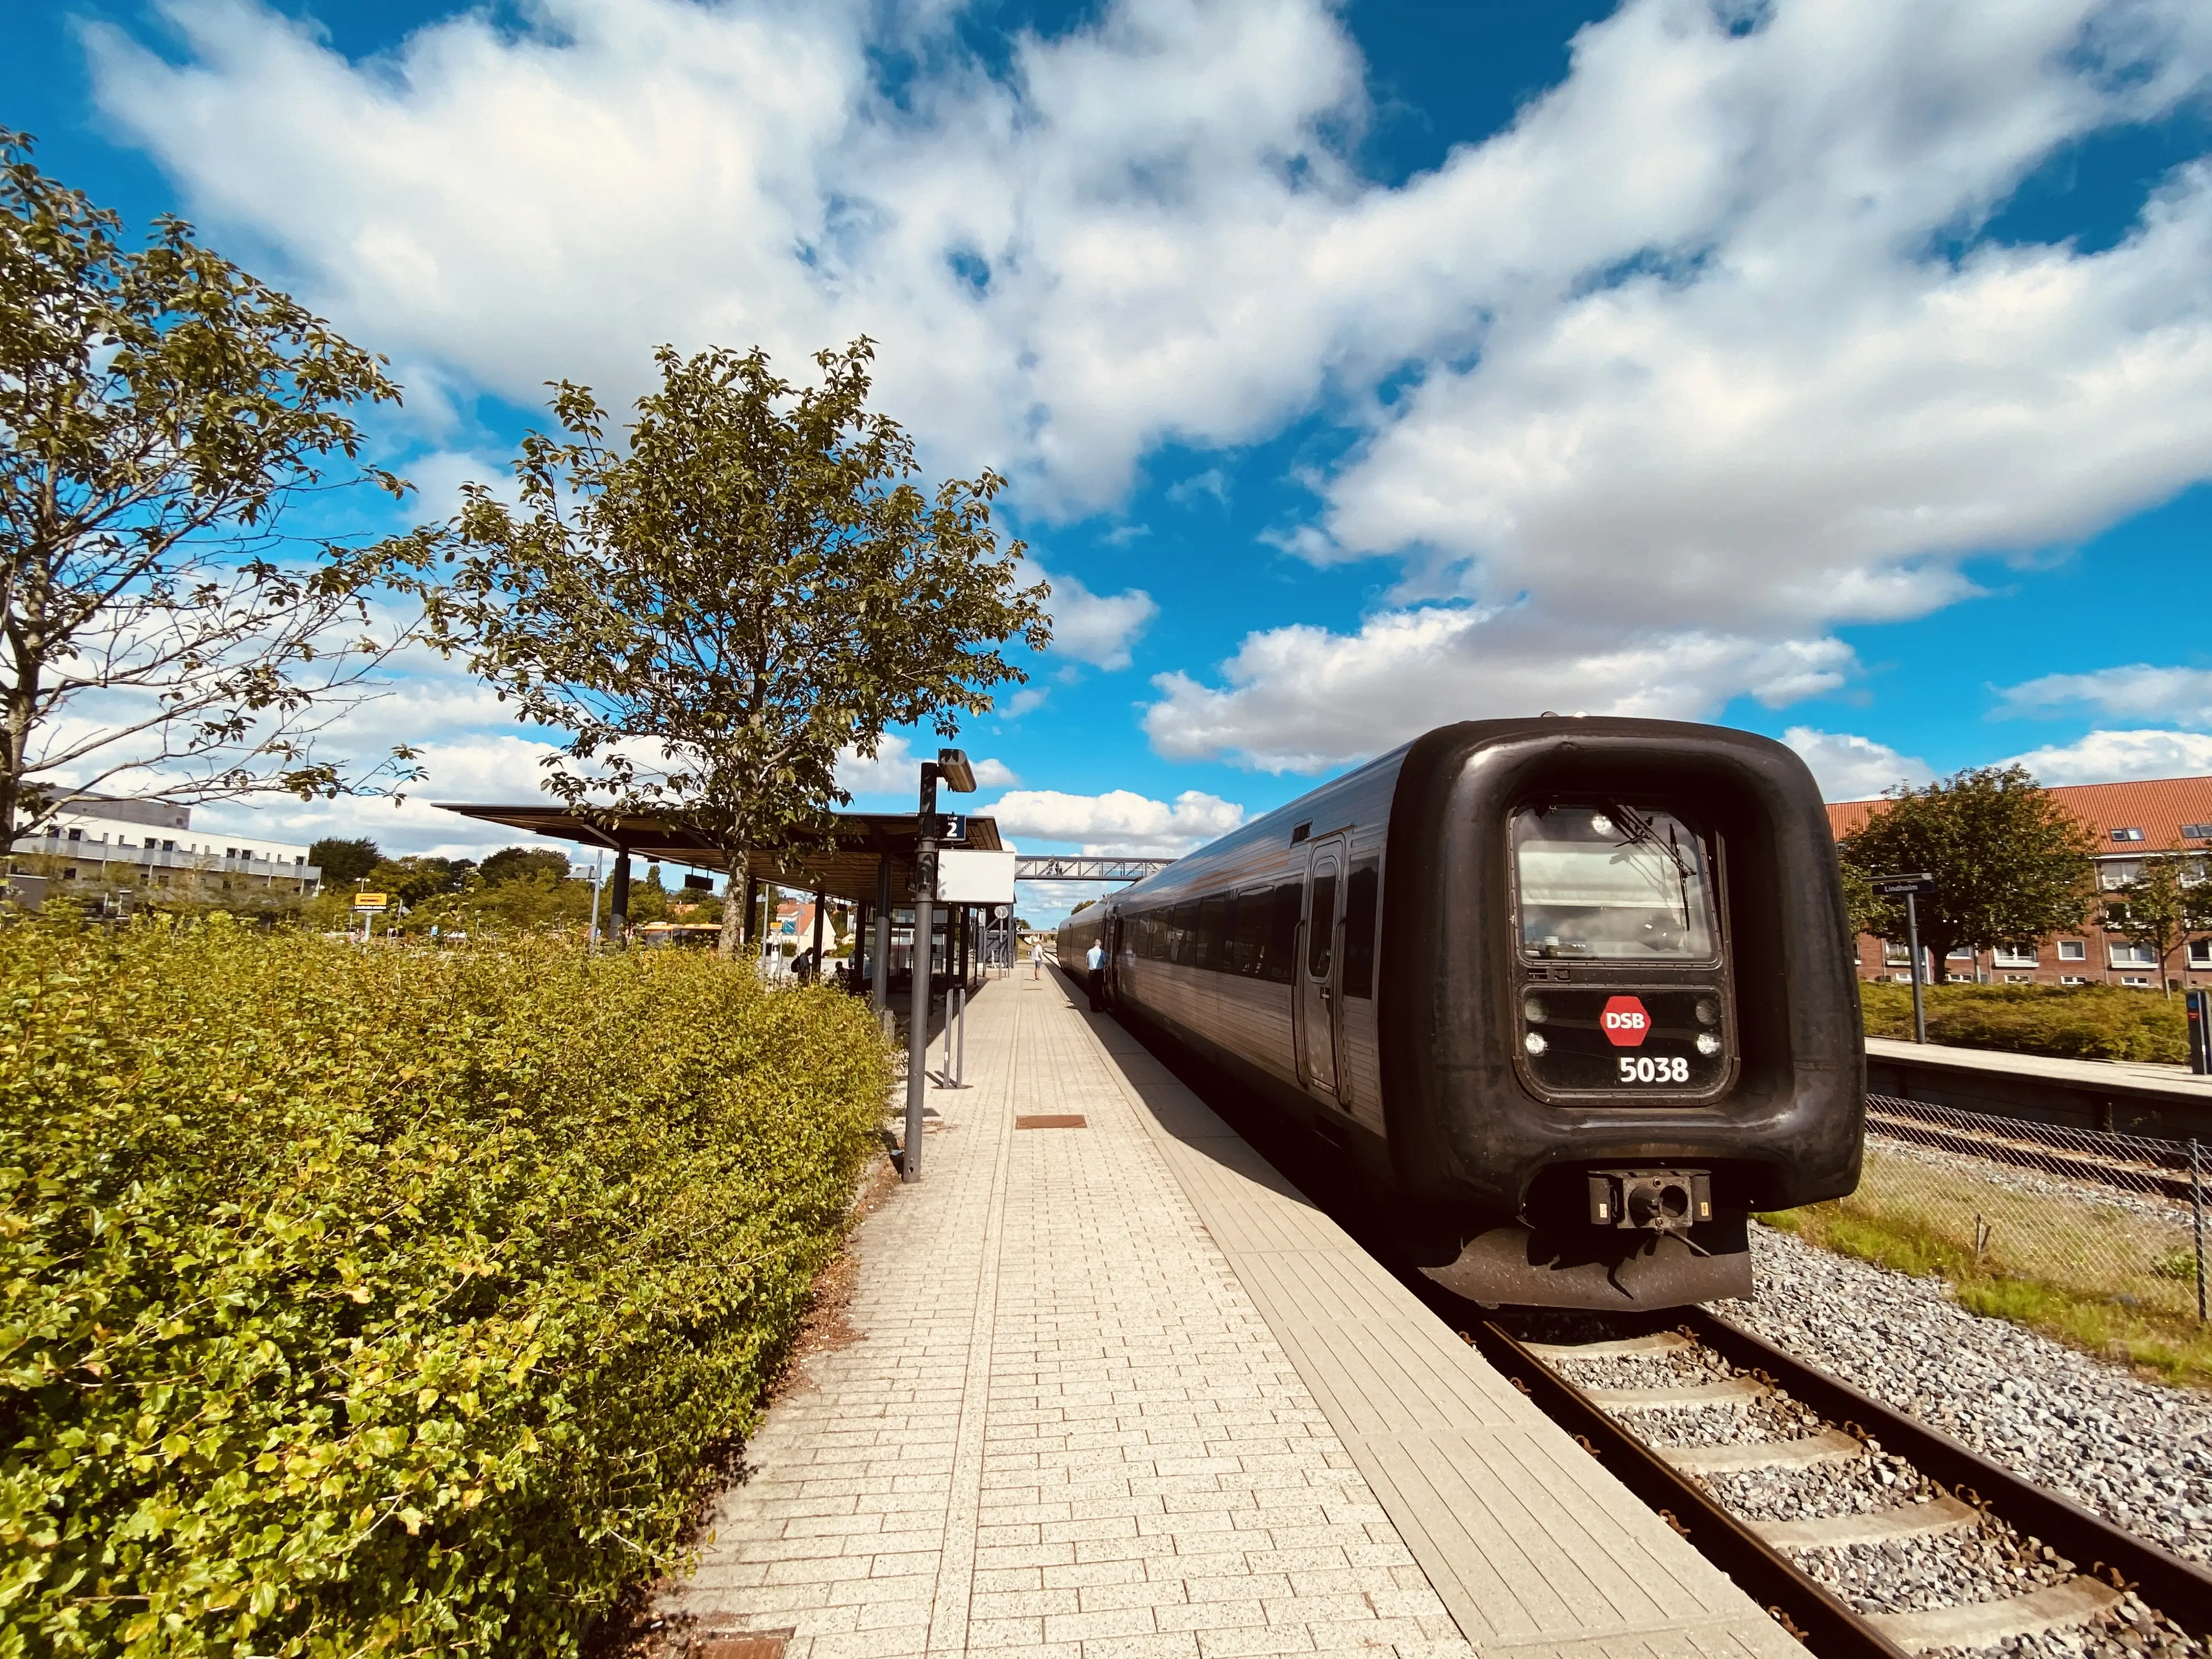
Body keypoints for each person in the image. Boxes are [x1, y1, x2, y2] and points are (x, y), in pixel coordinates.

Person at [1084, 938, 1107, 1011]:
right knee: (1099, 990)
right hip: (1099, 973)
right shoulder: (1102, 952)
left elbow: (1087, 962)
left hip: (1091, 972)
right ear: (1100, 944)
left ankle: (1092, 1007)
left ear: (1094, 943)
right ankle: (1098, 1007)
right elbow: (1105, 961)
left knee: (1092, 990)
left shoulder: (1089, 952)